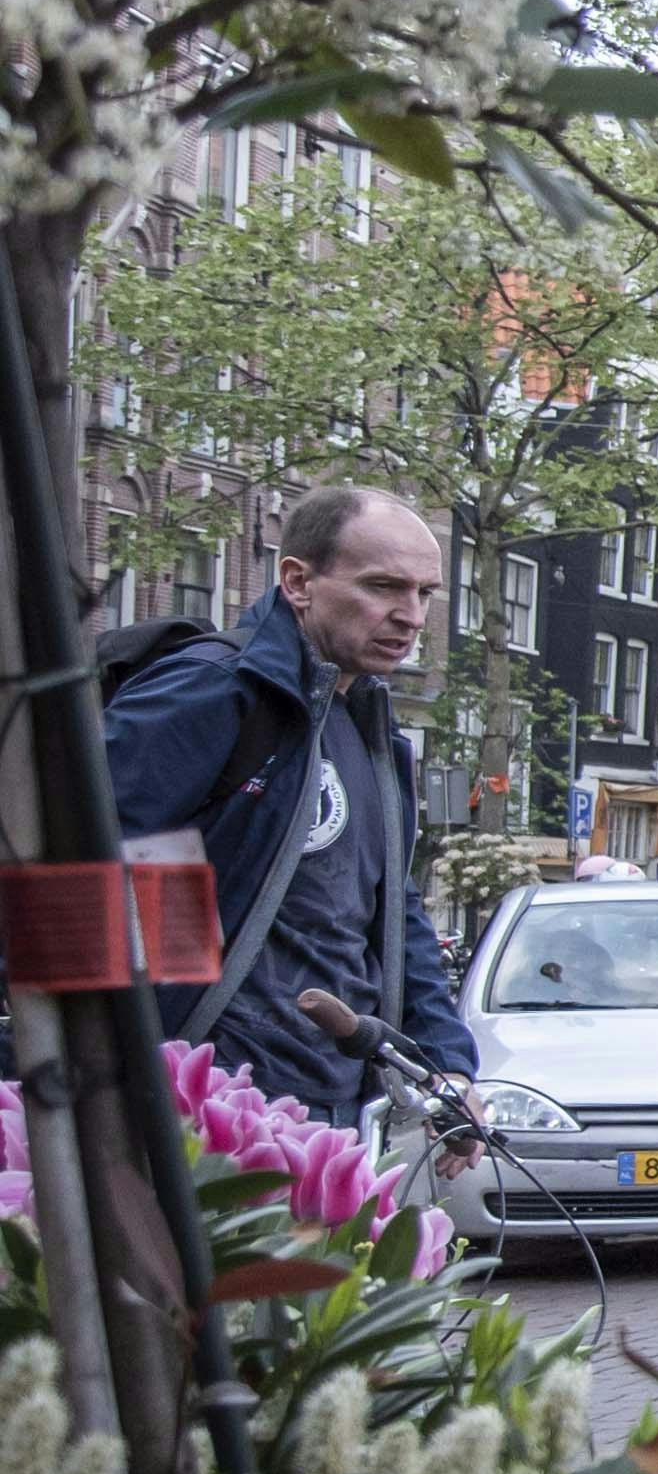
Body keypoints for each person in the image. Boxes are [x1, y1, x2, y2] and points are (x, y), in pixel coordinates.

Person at [106, 482, 481, 1153]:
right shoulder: (217, 689)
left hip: (338, 1108)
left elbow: (393, 910)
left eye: (424, 593)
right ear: (298, 582)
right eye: (384, 587)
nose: (411, 616)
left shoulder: (370, 726)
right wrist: (155, 1060)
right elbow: (76, 861)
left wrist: (446, 1065)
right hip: (207, 1107)